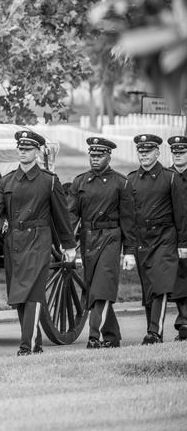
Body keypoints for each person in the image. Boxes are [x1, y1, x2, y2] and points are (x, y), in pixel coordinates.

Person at [0, 129, 77, 356]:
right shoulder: (6, 181)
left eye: (27, 149)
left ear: (37, 152)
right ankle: (35, 344)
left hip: (39, 241)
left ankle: (26, 346)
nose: (22, 152)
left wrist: (69, 246)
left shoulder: (49, 181)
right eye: (20, 149)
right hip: (14, 242)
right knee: (19, 295)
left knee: (33, 293)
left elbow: (61, 217)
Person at [68, 137, 133, 348]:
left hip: (111, 237)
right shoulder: (80, 182)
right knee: (95, 288)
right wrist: (66, 241)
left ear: (108, 156)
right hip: (89, 238)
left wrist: (130, 251)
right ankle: (112, 337)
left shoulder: (121, 182)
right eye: (92, 156)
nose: (95, 159)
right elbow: (71, 215)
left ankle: (94, 336)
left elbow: (128, 221)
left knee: (103, 287)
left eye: (99, 156)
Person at [124, 133, 187, 344]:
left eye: (147, 151)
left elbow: (181, 214)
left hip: (165, 237)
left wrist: (183, 243)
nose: (143, 155)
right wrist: (129, 248)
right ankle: (152, 329)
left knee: (160, 284)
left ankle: (155, 333)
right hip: (143, 238)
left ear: (157, 152)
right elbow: (128, 216)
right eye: (140, 152)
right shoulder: (131, 179)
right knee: (149, 287)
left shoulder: (171, 177)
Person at [168, 135, 187, 342]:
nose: (178, 156)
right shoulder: (168, 176)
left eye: (181, 152)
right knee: (179, 278)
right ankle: (183, 321)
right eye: (175, 152)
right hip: (173, 234)